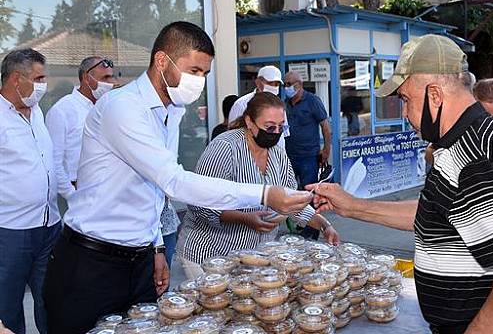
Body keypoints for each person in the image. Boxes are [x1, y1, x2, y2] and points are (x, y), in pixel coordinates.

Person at [43, 21, 311, 334]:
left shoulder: (171, 111)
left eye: (204, 74)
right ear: (161, 61)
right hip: (91, 262)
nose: (199, 81)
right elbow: (173, 181)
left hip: (139, 261)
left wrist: (155, 247)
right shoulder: (123, 107)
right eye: (194, 71)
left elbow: (152, 192)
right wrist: (265, 194)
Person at [310, 34, 493, 333]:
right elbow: (436, 214)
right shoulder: (457, 143)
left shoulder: (477, 155)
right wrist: (353, 206)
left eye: (407, 100)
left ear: (435, 95)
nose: (406, 113)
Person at [177, 92, 340, 278]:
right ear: (249, 121)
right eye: (270, 128)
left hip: (253, 258)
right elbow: (200, 203)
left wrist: (324, 225)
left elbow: (291, 202)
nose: (276, 133)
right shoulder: (225, 147)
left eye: (281, 127)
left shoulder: (278, 154)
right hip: (210, 255)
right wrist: (244, 218)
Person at [0, 49, 61, 334]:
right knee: (8, 308)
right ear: (15, 79)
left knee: (52, 299)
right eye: (38, 78)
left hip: (49, 225)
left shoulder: (36, 110)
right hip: (11, 231)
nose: (43, 85)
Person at [45, 56, 117, 203]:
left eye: (111, 77)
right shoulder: (62, 110)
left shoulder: (109, 107)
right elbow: (53, 162)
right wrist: (73, 196)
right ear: (86, 77)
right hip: (78, 193)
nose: (111, 83)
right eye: (105, 78)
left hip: (110, 191)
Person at [283, 70, 332, 240]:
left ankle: (312, 230)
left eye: (289, 84)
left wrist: (326, 149)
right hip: (289, 155)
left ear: (299, 84)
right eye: (285, 84)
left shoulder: (312, 101)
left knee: (308, 194)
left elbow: (325, 125)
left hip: (308, 157)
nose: (286, 88)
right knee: (292, 193)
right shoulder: (286, 103)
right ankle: (300, 224)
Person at [228, 66, 290, 144]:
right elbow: (233, 136)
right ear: (258, 82)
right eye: (270, 83)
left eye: (277, 84)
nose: (274, 87)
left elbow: (284, 134)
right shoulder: (241, 104)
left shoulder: (279, 105)